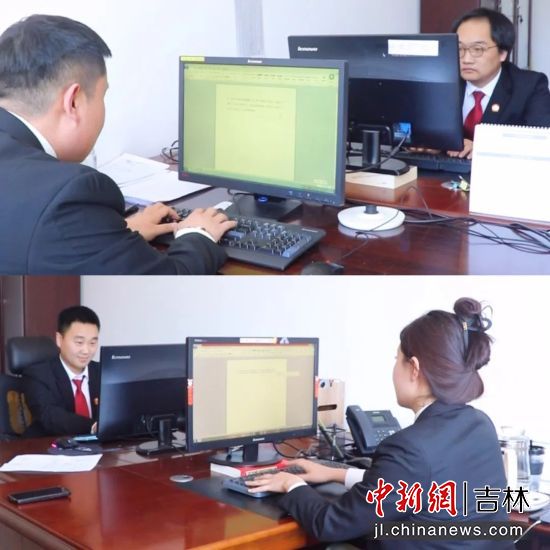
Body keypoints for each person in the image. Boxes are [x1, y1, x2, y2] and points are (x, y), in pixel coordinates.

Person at [246, 298, 512, 549]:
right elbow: (412, 486)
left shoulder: (410, 447)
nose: (394, 369)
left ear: (414, 368)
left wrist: (291, 485)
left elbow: (330, 524)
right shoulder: (480, 424)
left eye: (397, 359)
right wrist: (336, 473)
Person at [0, 14, 237, 274]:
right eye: (103, 95)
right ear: (74, 102)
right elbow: (165, 282)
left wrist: (112, 236)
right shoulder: (69, 194)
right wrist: (198, 235)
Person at [449, 7, 550, 159]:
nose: (466, 59)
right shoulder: (443, 82)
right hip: (441, 169)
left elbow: (541, 142)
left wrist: (482, 147)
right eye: (459, 48)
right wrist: (428, 144)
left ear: (503, 53)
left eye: (477, 49)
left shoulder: (530, 86)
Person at [23, 306, 102, 436]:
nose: (86, 351)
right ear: (59, 340)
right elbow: (50, 416)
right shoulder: (38, 375)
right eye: (79, 342)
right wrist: (92, 427)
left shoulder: (103, 372)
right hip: (49, 445)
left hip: (102, 446)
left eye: (92, 343)